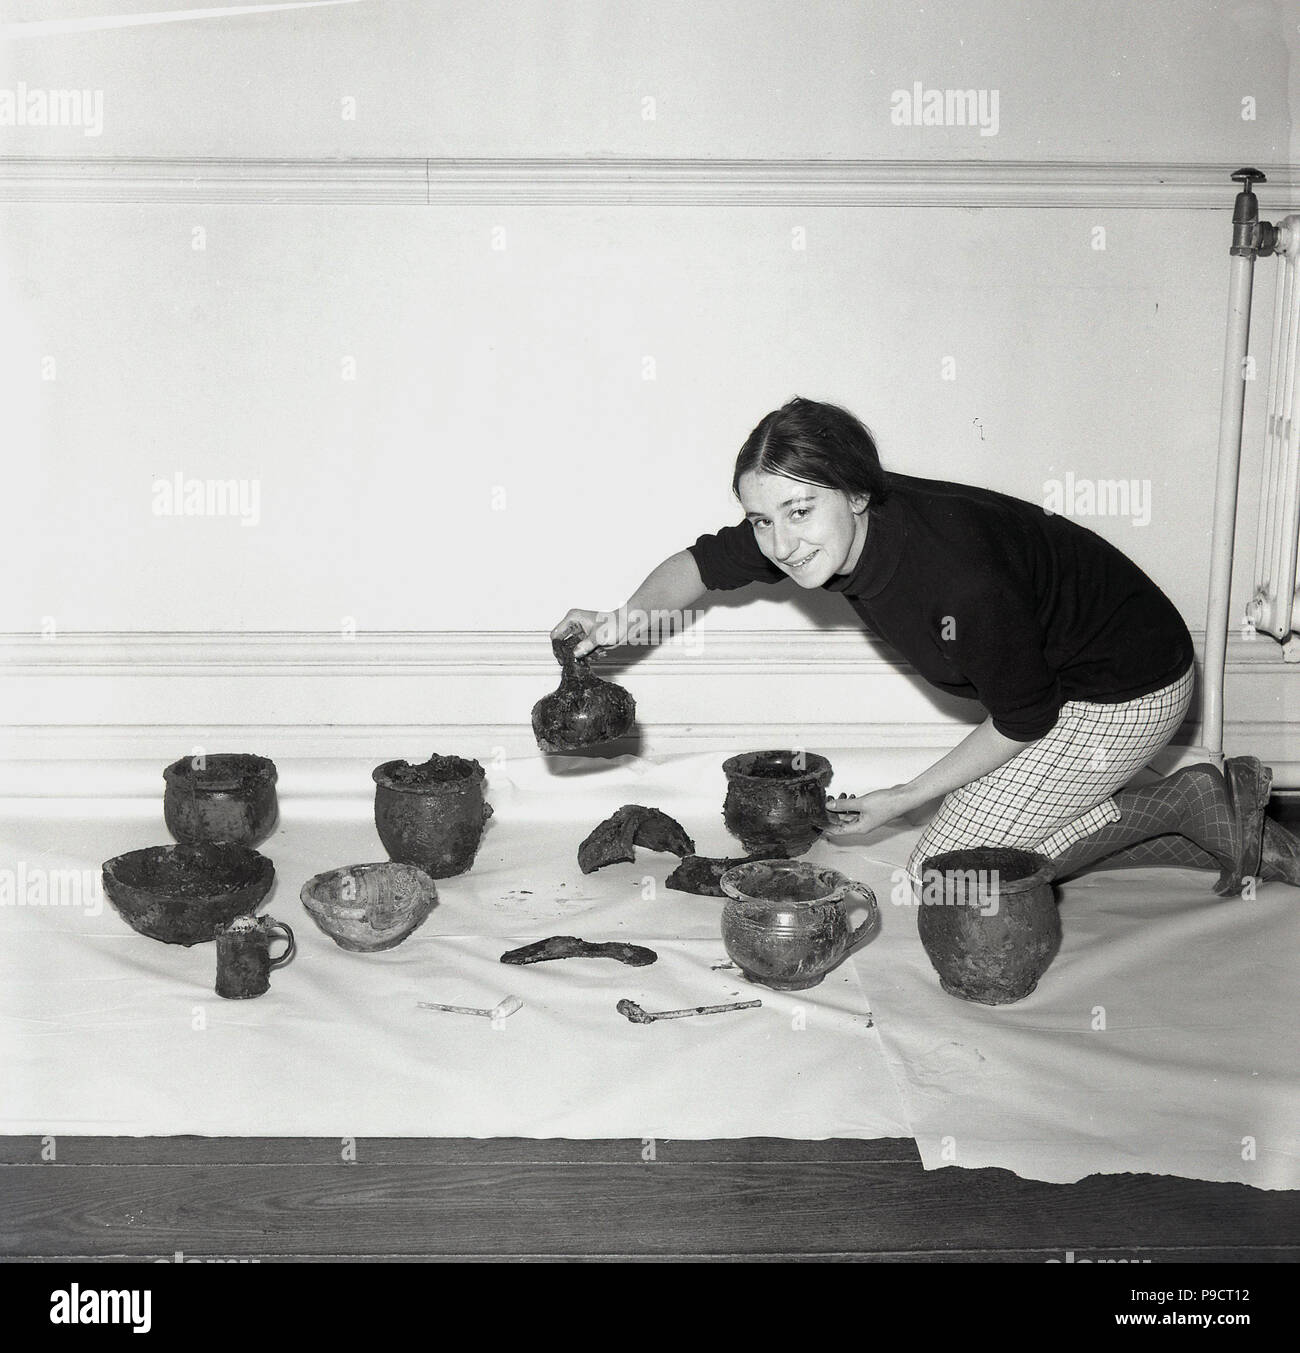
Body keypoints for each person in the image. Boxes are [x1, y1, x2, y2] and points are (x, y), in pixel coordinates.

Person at [552, 396, 1300, 892]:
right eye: (760, 517)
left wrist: (903, 797)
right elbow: (699, 565)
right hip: (1066, 672)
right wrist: (624, 620)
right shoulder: (815, 527)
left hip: (1129, 683)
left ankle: (1183, 803)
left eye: (798, 510)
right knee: (973, 843)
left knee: (944, 875)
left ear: (856, 492)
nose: (779, 542)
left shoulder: (953, 579)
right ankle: (1192, 806)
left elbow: (1024, 718)